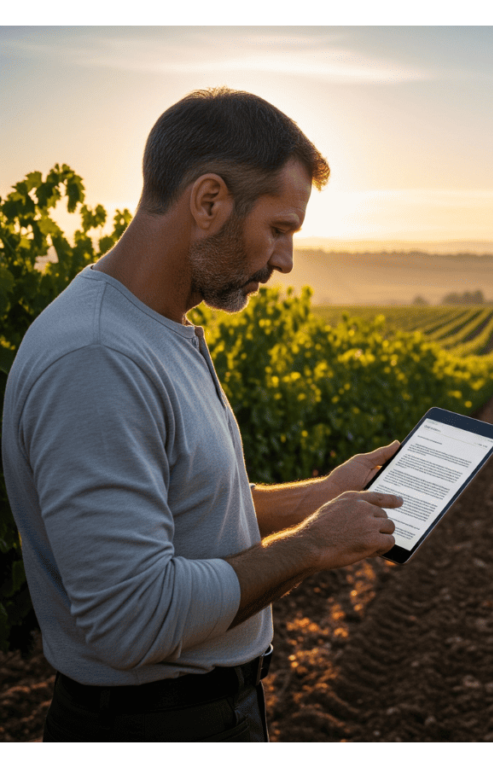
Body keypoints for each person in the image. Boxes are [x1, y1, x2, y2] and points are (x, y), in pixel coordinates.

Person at [1, 87, 403, 742]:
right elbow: (134, 619)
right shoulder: (98, 356)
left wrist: (320, 495)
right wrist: (312, 545)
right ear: (209, 201)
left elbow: (182, 502)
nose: (285, 261)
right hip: (154, 727)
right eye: (279, 230)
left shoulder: (161, 327)